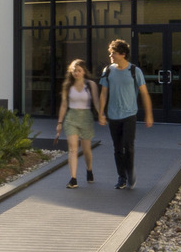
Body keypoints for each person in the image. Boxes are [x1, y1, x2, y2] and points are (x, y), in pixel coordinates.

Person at [99, 39, 152, 191]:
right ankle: (121, 177)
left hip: (129, 114)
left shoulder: (135, 71)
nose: (111, 56)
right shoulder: (107, 71)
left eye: (113, 53)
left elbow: (144, 94)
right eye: (110, 53)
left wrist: (149, 115)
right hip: (113, 115)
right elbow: (103, 94)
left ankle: (130, 172)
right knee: (117, 148)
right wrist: (101, 113)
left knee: (128, 146)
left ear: (123, 54)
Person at [57, 58, 102, 187]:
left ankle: (89, 170)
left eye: (79, 71)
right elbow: (64, 105)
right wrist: (60, 122)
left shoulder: (90, 85)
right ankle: (73, 178)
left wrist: (101, 115)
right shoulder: (68, 86)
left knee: (86, 149)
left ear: (84, 72)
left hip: (86, 118)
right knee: (72, 149)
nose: (76, 73)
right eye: (74, 71)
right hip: (71, 118)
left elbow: (96, 102)